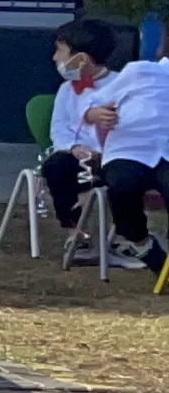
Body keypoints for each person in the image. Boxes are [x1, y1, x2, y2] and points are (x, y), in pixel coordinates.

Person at [43, 17, 168, 270]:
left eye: (60, 51)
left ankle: (127, 240)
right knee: (56, 166)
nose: (55, 58)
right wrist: (73, 148)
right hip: (80, 157)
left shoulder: (126, 80)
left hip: (113, 156)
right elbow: (60, 128)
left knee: (126, 179)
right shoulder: (66, 90)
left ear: (82, 58)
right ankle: (76, 230)